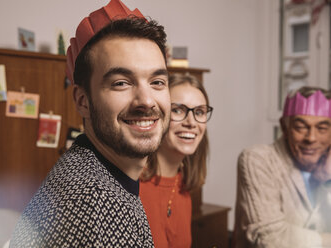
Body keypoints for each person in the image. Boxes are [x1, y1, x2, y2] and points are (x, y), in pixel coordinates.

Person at [9, 0, 170, 247]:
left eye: (157, 82)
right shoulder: (98, 203)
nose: (147, 100)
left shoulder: (87, 169)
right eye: (121, 83)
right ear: (83, 101)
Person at [233, 86, 331, 247]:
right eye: (300, 127)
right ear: (285, 128)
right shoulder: (258, 159)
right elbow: (270, 238)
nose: (311, 138)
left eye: (322, 128)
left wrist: (328, 182)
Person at [140, 73, 212, 248]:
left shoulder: (182, 187)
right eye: (178, 110)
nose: (191, 122)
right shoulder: (131, 187)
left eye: (200, 112)